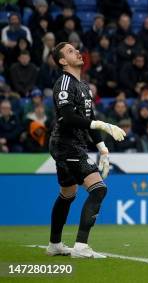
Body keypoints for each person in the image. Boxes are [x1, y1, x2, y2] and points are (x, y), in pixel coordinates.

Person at [47, 42, 126, 259]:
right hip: (66, 144)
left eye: (77, 49)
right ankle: (81, 246)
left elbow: (88, 119)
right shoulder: (64, 82)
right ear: (62, 61)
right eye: (71, 51)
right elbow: (67, 116)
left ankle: (54, 244)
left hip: (73, 144)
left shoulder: (84, 87)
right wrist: (101, 125)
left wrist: (102, 148)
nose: (78, 52)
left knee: (68, 194)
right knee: (98, 189)